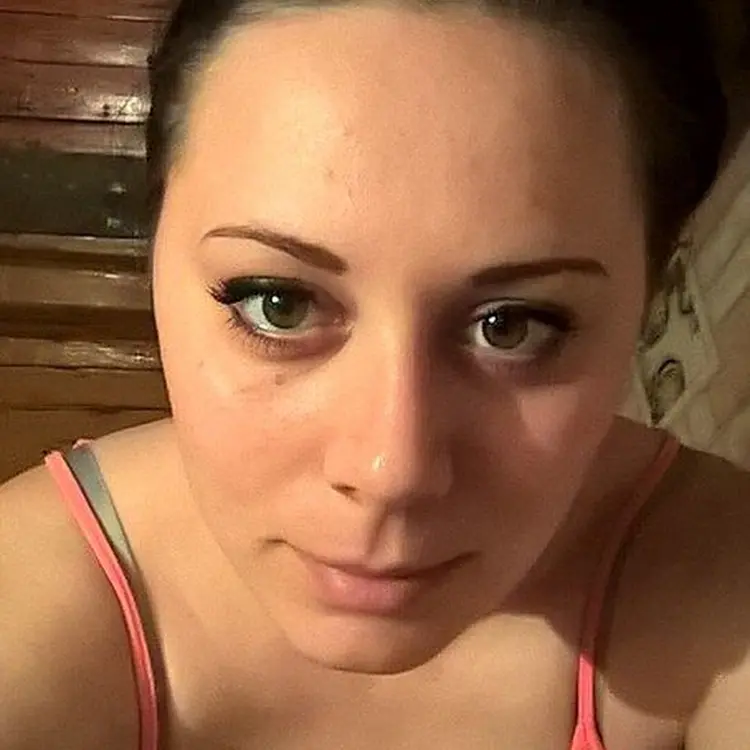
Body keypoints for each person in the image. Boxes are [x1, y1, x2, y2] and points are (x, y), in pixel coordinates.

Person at [2, 0, 749, 748]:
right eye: (280, 304)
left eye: (511, 326)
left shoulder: (720, 583)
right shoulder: (29, 598)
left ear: (650, 296)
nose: (392, 471)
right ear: (153, 259)